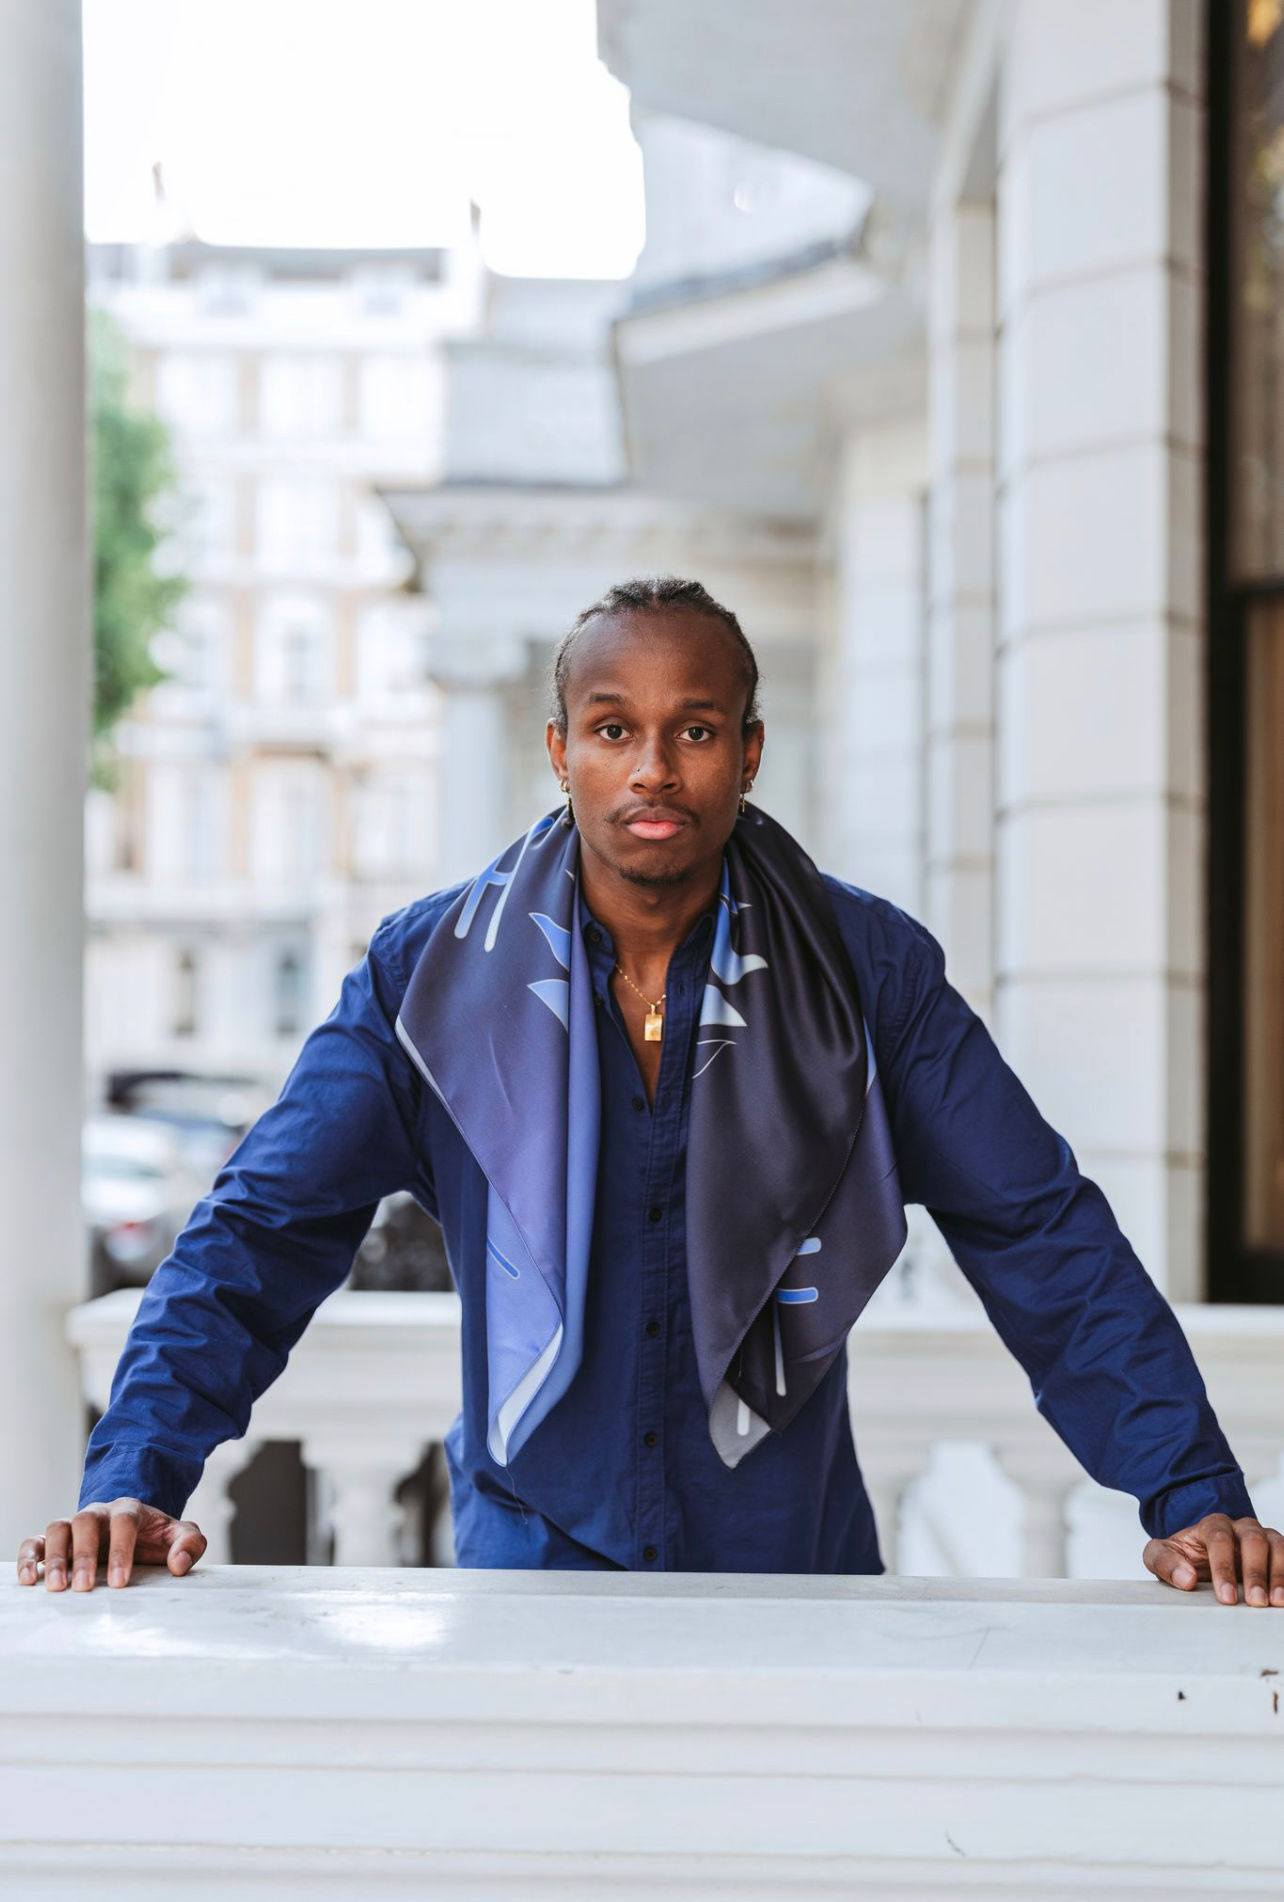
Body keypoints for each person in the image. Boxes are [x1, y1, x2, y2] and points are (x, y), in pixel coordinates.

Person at [18, 577, 1284, 1605]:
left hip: (795, 1591)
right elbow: (257, 1234)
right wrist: (135, 1477)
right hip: (528, 1593)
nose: (655, 770)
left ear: (749, 752)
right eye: (615, 728)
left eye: (697, 729)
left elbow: (1041, 1232)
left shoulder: (868, 972)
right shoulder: (431, 979)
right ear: (562, 751)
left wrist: (1192, 1495)